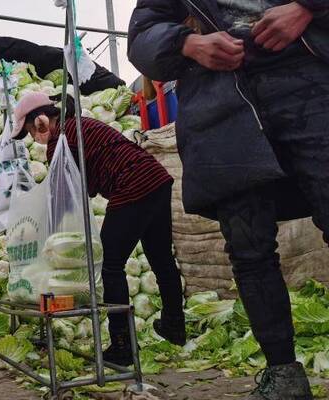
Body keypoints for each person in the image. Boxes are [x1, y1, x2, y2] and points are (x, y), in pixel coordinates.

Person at [128, 0, 329, 399]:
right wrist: (187, 44)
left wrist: (306, 8)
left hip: (309, 78)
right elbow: (142, 35)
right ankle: (283, 374)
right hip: (223, 102)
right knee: (248, 244)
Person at [11, 91, 186, 366]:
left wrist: (46, 233)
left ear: (42, 120)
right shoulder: (79, 125)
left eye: (31, 130)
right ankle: (175, 325)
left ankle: (122, 345)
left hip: (132, 186)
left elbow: (64, 196)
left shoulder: (59, 141)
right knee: (161, 259)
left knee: (111, 265)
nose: (34, 137)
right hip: (155, 179)